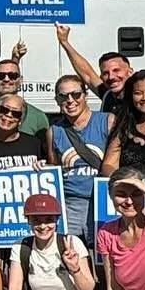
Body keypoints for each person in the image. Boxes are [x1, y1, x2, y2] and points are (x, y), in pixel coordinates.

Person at [50, 74, 111, 242]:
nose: (70, 100)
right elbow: (53, 167)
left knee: (102, 256)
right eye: (63, 96)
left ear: (85, 95)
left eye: (76, 94)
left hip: (102, 200)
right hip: (70, 204)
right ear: (57, 99)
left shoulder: (107, 121)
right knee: (70, 257)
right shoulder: (54, 131)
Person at [57, 24, 131, 114]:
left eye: (116, 70)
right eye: (106, 73)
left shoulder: (140, 98)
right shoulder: (107, 95)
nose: (111, 77)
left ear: (130, 72)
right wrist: (64, 42)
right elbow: (87, 74)